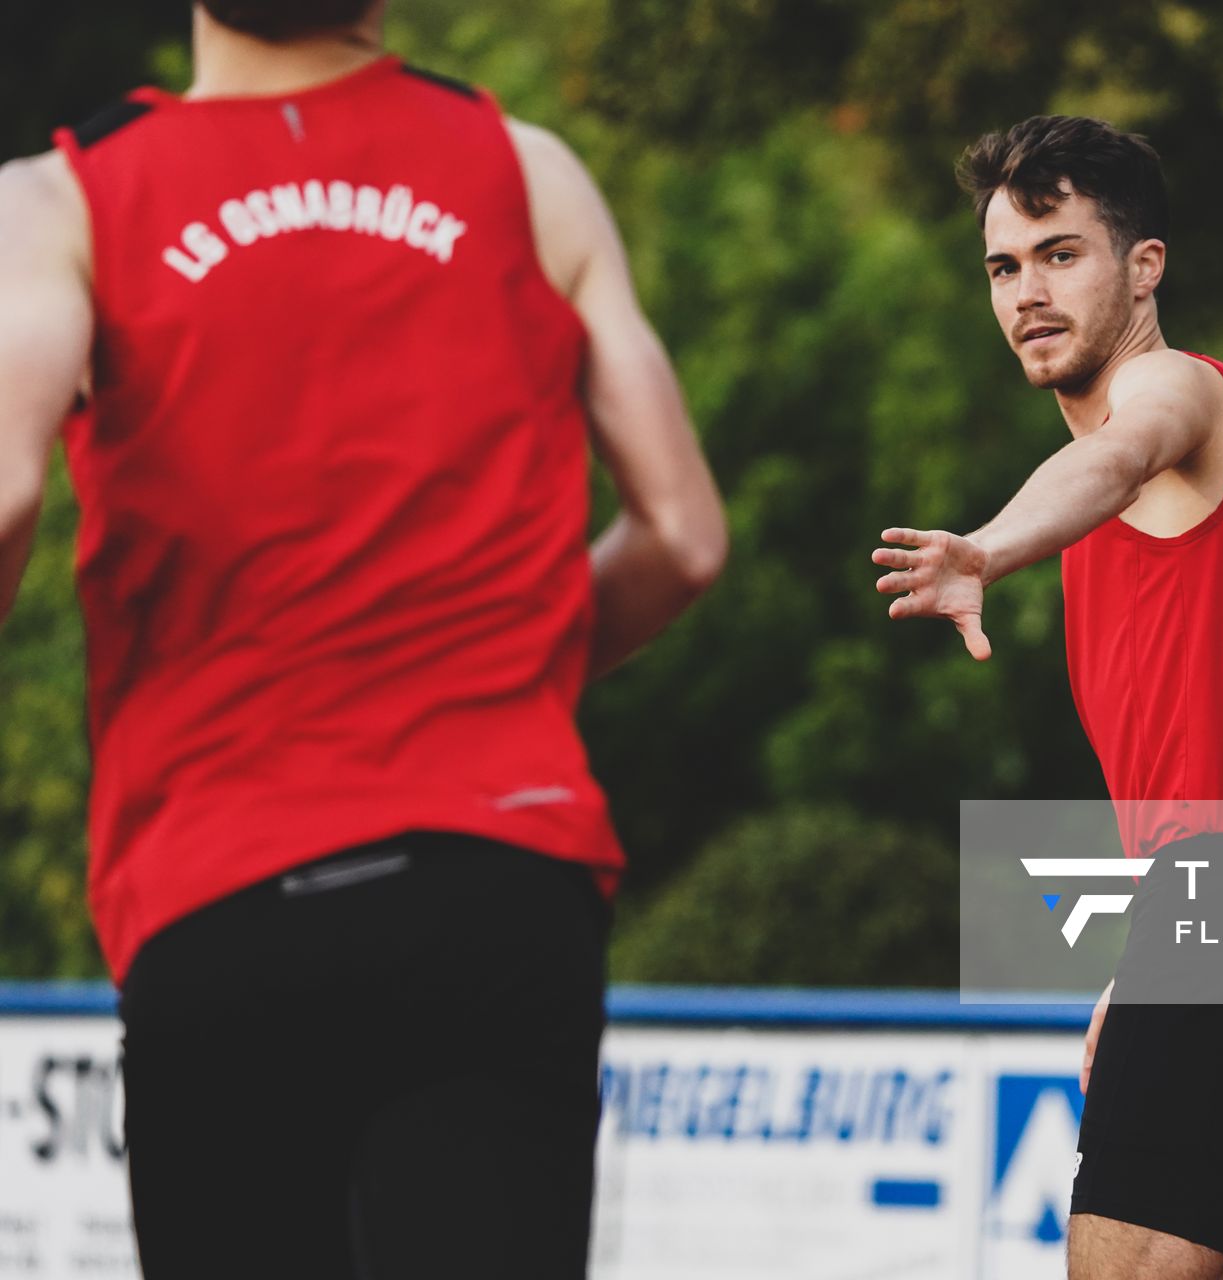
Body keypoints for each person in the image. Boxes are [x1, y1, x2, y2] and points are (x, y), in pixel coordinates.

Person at [0, 1, 726, 1274]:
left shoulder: (64, 198)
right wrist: (509, 673)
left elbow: (4, 495)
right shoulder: (524, 169)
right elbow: (683, 535)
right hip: (496, 867)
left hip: (223, 881)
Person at [873, 115, 1223, 1278]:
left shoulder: (1173, 394)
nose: (1026, 293)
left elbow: (1113, 453)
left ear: (1144, 266)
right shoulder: (1155, 486)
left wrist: (986, 550)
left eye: (1062, 254)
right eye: (1005, 265)